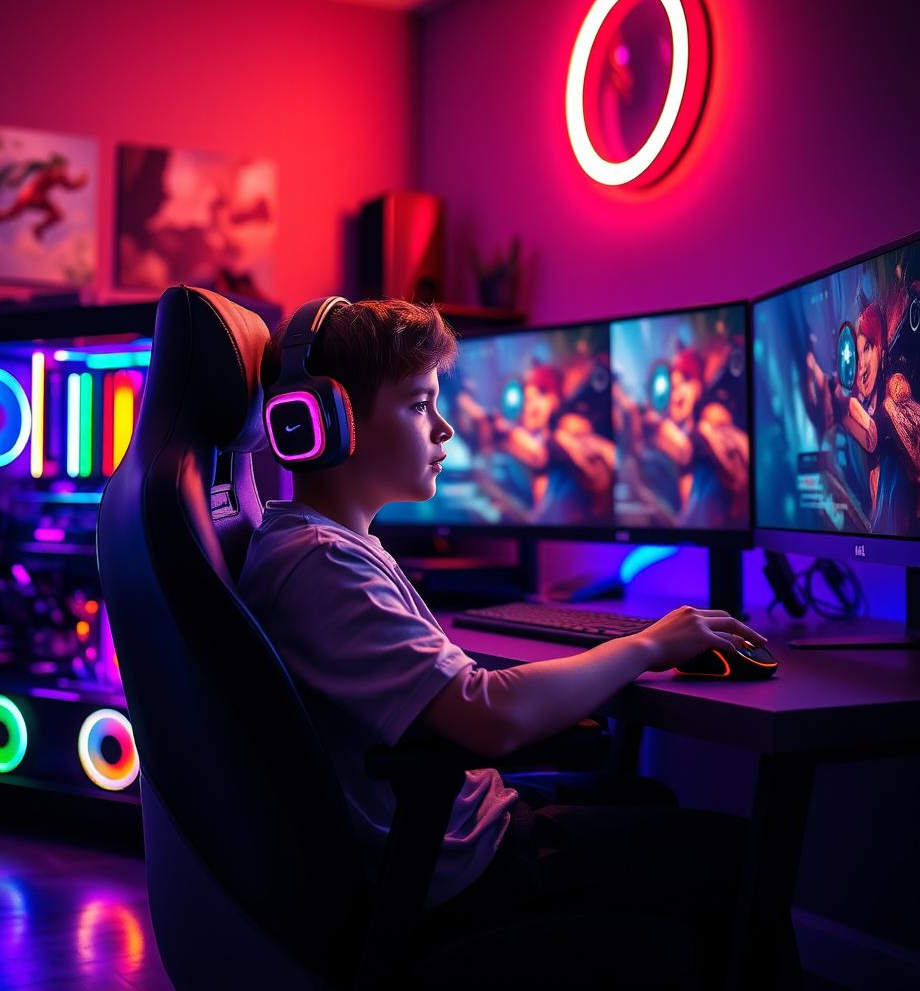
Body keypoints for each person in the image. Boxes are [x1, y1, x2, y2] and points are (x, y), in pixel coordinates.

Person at [238, 297, 769, 986]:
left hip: (453, 833)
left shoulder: (330, 545)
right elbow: (484, 713)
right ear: (326, 421)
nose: (445, 428)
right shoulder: (323, 563)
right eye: (419, 405)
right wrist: (646, 646)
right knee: (741, 858)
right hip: (459, 866)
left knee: (648, 800)